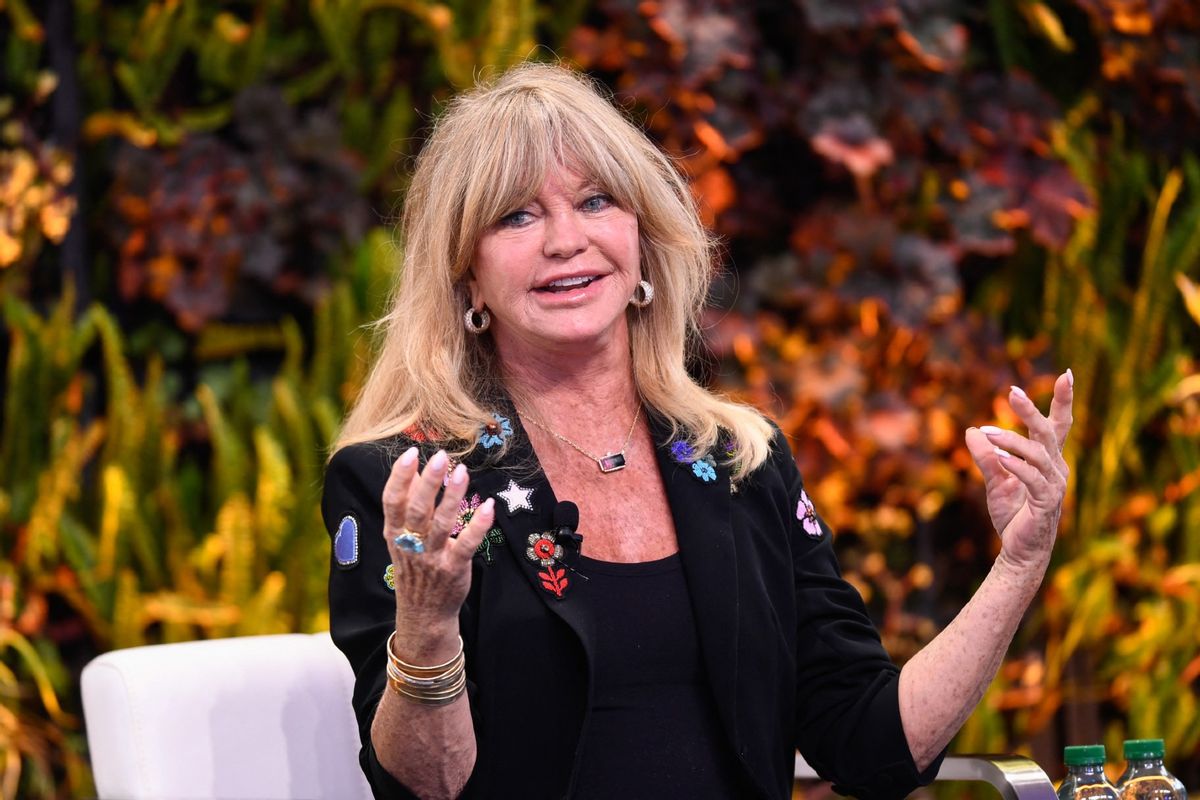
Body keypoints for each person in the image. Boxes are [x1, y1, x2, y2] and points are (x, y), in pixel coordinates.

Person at [322, 61, 1073, 800]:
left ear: (643, 242)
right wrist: (424, 625)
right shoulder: (408, 483)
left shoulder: (743, 461)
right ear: (466, 276)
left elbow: (867, 745)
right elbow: (425, 786)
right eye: (516, 216)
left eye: (595, 202)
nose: (564, 240)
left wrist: (1018, 566)